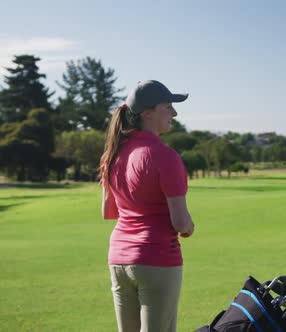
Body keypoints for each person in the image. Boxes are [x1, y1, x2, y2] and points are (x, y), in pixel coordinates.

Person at [99, 80, 195, 332]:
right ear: (147, 113)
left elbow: (108, 212)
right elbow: (180, 223)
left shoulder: (113, 154)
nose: (174, 113)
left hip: (119, 258)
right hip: (157, 259)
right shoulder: (165, 156)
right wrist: (189, 227)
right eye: (168, 106)